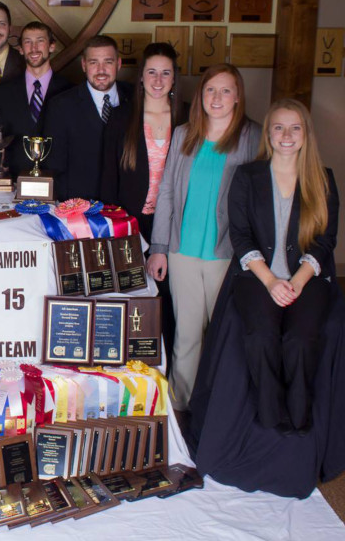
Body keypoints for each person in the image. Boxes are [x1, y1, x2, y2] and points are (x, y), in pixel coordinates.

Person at [188, 100, 342, 499]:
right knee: (259, 335)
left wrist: (298, 280)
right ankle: (271, 409)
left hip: (310, 278)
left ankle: (299, 412)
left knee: (301, 339)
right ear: (268, 134)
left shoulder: (322, 179)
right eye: (278, 128)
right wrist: (272, 281)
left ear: (306, 134)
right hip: (258, 276)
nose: (286, 136)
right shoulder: (247, 176)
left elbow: (326, 240)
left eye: (295, 129)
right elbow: (241, 236)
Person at [147, 63, 261, 416]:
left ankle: (225, 411)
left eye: (226, 90)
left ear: (238, 96)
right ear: (201, 95)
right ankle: (182, 409)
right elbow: (165, 192)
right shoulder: (184, 134)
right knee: (187, 338)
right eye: (211, 90)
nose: (217, 97)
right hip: (183, 251)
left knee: (228, 337)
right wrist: (160, 248)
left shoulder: (254, 137)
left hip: (228, 254)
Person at [100, 43, 186, 367]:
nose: (158, 79)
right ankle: (138, 373)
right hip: (131, 224)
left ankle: (173, 374)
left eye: (166, 72)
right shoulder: (122, 118)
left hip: (178, 226)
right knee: (136, 303)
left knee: (173, 302)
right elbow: (108, 180)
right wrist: (114, 229)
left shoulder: (188, 117)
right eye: (152, 71)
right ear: (141, 77)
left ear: (175, 78)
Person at [45, 35, 133, 201]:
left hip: (126, 207)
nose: (101, 70)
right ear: (84, 65)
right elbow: (55, 165)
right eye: (94, 62)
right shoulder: (60, 106)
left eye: (108, 62)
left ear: (119, 64)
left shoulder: (136, 99)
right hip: (79, 209)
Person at [0, 21, 71, 180]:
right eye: (28, 42)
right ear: (20, 49)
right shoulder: (1, 93)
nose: (34, 48)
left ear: (52, 46)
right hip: (13, 181)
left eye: (40, 41)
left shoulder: (71, 91)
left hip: (58, 183)